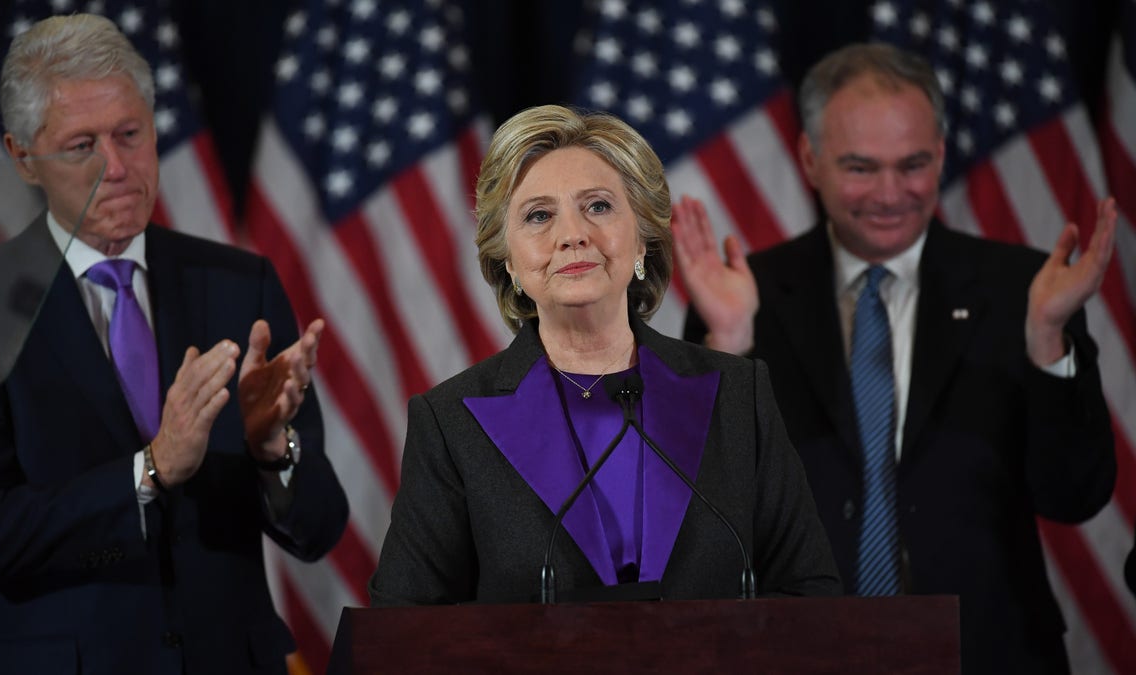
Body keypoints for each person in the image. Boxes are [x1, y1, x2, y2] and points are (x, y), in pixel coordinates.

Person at [673, 43, 1116, 674]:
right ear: (809, 159)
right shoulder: (744, 298)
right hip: (800, 654)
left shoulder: (1024, 290)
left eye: (912, 165)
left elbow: (1074, 495)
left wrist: (1048, 340)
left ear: (940, 155)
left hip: (986, 651)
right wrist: (730, 344)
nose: (890, 194)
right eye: (860, 167)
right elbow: (701, 512)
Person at [0, 15, 348, 674]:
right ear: (22, 158)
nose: (119, 168)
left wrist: (276, 451)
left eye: (131, 135)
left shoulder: (240, 286)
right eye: (81, 146)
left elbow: (320, 528)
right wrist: (147, 471)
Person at [368, 104, 840, 606]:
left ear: (641, 238)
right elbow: (404, 627)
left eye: (597, 206)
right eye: (539, 215)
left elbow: (808, 594)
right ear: (507, 259)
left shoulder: (738, 394)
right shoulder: (451, 424)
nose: (573, 234)